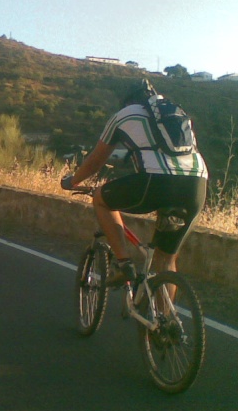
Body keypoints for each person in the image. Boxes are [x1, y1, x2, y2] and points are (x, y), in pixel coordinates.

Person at [61, 79, 208, 285]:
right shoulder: (176, 113)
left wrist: (72, 181)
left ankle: (124, 264)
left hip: (156, 181)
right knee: (166, 259)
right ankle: (164, 317)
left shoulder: (124, 115)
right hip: (196, 184)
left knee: (101, 199)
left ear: (127, 100)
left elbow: (95, 161)